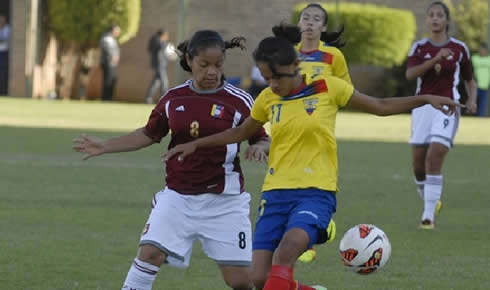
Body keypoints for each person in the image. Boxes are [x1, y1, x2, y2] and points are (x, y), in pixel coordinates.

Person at [164, 24, 460, 290]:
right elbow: (240, 133)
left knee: (288, 251)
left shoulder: (328, 88)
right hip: (275, 192)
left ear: (295, 65)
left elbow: (380, 105)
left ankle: (320, 227)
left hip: (315, 191)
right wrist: (197, 144)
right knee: (258, 278)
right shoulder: (268, 98)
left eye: (277, 77)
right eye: (267, 78)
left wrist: (425, 99)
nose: (273, 85)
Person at [73, 30, 270, 290]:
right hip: (178, 197)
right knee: (149, 254)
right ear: (189, 61)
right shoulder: (173, 99)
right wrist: (105, 146)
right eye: (204, 65)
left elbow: (260, 136)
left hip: (225, 202)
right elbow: (148, 133)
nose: (212, 72)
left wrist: (261, 147)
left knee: (241, 281)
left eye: (218, 66)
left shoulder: (240, 100)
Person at [405, 1, 477, 230]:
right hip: (422, 107)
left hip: (448, 106)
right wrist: (435, 59)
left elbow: (469, 79)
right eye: (431, 15)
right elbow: (410, 74)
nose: (435, 18)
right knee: (418, 166)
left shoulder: (459, 48)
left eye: (439, 15)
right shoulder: (419, 48)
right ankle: (430, 200)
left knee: (434, 157)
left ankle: (428, 217)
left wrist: (472, 99)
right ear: (426, 20)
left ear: (447, 20)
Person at [295, 2, 351, 263]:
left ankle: (312, 236)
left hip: (319, 130)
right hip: (289, 130)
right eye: (306, 18)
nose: (310, 23)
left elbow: (345, 92)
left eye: (316, 19)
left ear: (323, 27)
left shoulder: (332, 56)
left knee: (313, 181)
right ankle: (305, 234)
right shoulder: (289, 55)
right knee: (290, 182)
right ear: (299, 24)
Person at [144, 28, 177, 104]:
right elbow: (161, 46)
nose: (167, 37)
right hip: (159, 65)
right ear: (163, 35)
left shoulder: (160, 42)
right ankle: (165, 99)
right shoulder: (156, 40)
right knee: (164, 82)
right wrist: (169, 46)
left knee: (156, 82)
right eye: (166, 36)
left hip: (160, 65)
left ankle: (148, 98)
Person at [100, 24, 121, 101]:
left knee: (112, 80)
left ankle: (109, 97)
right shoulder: (107, 38)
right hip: (107, 62)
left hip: (113, 63)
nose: (118, 33)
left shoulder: (112, 39)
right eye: (117, 31)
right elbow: (106, 49)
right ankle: (105, 98)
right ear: (113, 30)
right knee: (107, 80)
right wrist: (112, 57)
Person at [472, 43, 490, 117]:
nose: (481, 51)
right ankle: (472, 116)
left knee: (483, 103)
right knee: (473, 102)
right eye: (480, 49)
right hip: (475, 85)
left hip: (485, 85)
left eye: (483, 50)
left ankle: (480, 118)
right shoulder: (474, 58)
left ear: (486, 50)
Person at [0, 14, 10, 95]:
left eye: (2, 19)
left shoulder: (8, 29)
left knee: (3, 72)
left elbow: (5, 39)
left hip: (4, 53)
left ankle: (3, 92)